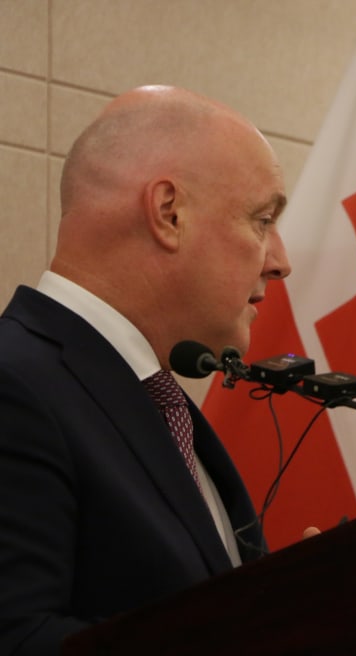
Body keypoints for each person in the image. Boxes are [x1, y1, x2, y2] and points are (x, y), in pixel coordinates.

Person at [0, 85, 292, 655]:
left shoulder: (158, 401)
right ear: (168, 213)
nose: (280, 261)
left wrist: (297, 607)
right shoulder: (14, 386)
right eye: (261, 220)